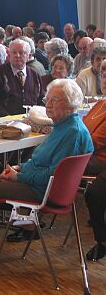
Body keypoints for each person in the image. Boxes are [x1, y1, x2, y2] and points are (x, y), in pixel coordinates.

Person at [0, 79, 94, 276]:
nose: (47, 105)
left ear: (71, 104)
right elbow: (42, 162)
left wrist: (19, 177)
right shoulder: (63, 126)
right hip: (39, 183)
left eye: (55, 100)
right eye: (47, 99)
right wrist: (18, 167)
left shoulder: (72, 132)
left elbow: (52, 175)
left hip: (44, 190)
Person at [0, 39, 44, 118]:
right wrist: (7, 118)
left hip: (31, 120)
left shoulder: (34, 75)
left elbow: (41, 99)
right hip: (4, 122)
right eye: (14, 52)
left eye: (21, 52)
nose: (17, 55)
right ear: (10, 55)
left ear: (28, 56)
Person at [84, 60, 106, 260]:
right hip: (91, 156)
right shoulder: (99, 104)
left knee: (94, 193)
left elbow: (95, 140)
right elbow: (82, 129)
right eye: (104, 76)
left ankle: (102, 241)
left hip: (100, 159)